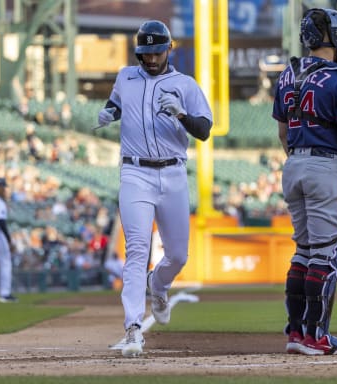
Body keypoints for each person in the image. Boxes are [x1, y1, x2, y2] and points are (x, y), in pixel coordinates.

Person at [97, 20, 212, 357]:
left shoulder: (185, 85)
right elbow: (117, 103)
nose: (151, 59)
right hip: (134, 172)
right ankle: (133, 328)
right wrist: (108, 113)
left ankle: (158, 285)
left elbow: (204, 129)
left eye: (157, 52)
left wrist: (180, 115)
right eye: (146, 53)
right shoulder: (125, 76)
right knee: (136, 251)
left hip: (173, 173)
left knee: (177, 255)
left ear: (168, 49)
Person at [272, 8, 337, 355]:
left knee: (303, 251)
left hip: (294, 165)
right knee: (328, 252)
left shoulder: (287, 74)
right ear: (330, 38)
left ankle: (296, 333)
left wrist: (299, 160)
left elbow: (282, 132)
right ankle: (316, 336)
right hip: (325, 166)